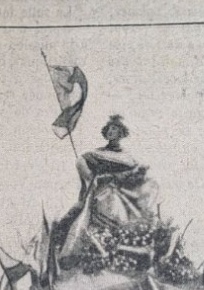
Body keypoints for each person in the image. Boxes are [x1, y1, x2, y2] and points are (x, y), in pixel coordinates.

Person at [54, 115, 159, 269]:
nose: (111, 131)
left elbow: (135, 175)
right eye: (109, 128)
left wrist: (125, 176)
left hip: (122, 194)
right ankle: (60, 245)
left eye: (115, 129)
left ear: (121, 133)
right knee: (75, 212)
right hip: (98, 192)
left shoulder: (128, 158)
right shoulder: (96, 154)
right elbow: (81, 162)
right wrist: (91, 176)